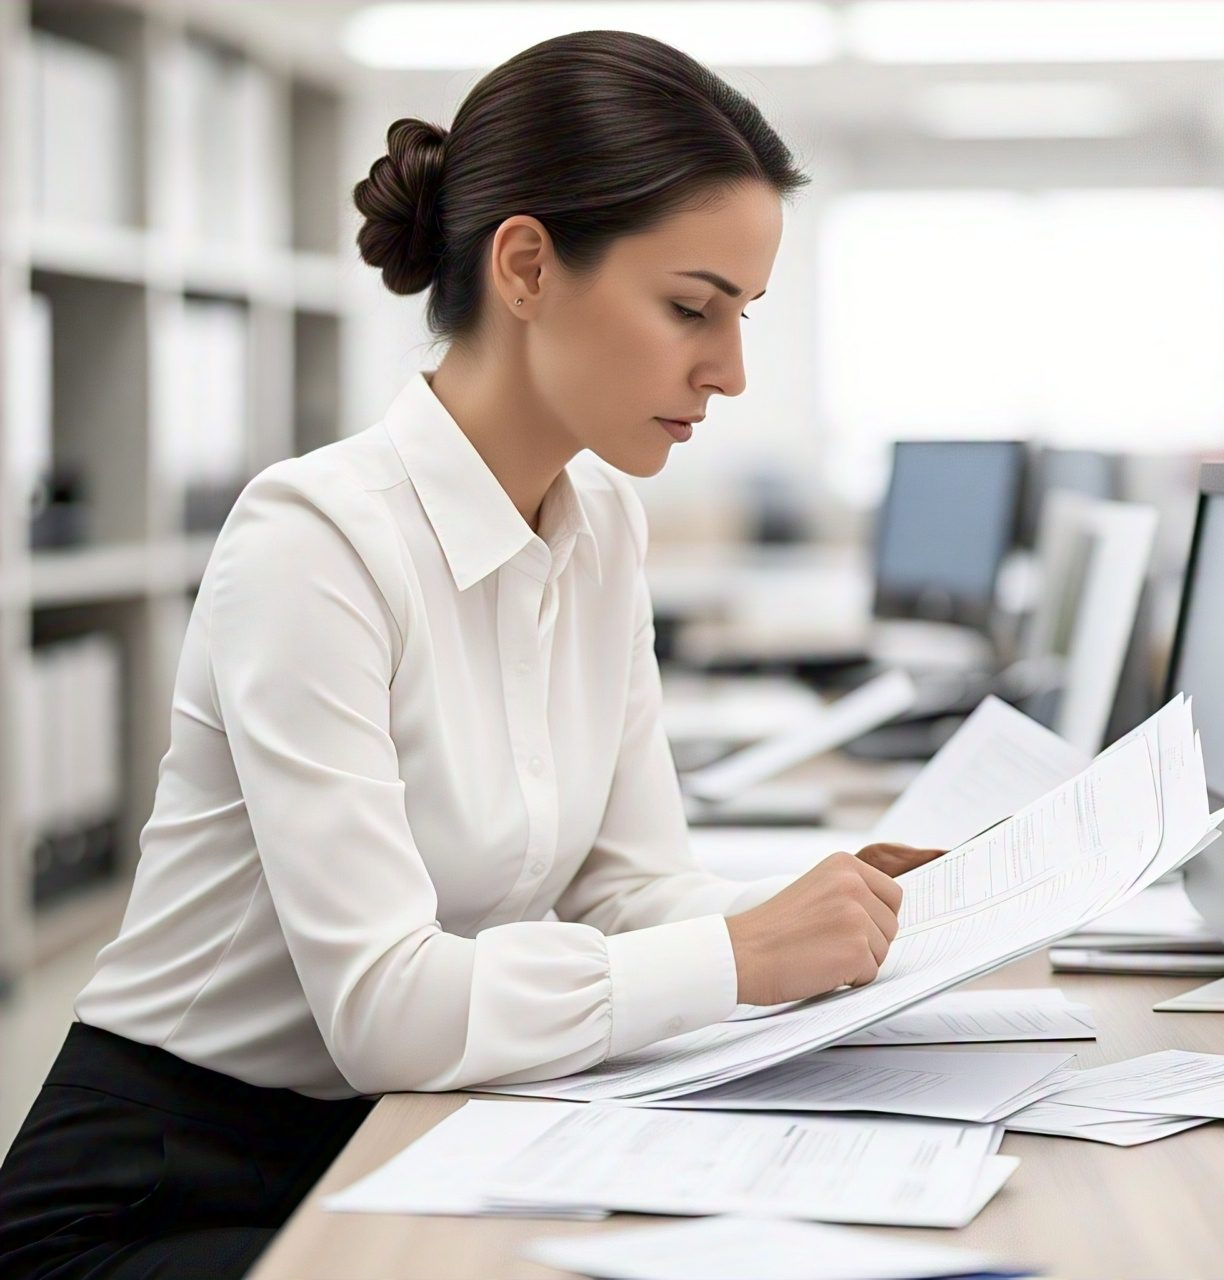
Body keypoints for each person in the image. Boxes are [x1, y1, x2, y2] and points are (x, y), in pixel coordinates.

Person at [0, 29, 943, 1279]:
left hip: (404, 1134)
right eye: (689, 308)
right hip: (159, 1188)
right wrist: (737, 953)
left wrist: (829, 929)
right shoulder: (315, 538)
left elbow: (627, 894)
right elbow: (386, 1006)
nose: (728, 371)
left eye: (743, 315)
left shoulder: (601, 522)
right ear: (526, 265)